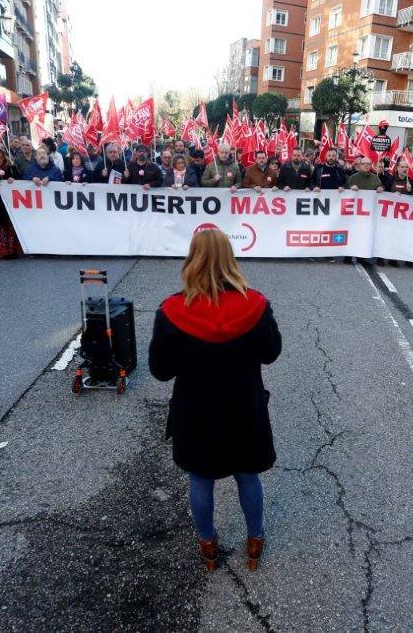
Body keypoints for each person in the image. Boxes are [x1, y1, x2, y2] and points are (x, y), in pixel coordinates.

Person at [148, 227, 282, 573]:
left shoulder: (173, 310)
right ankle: (255, 541)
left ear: (192, 258)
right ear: (230, 256)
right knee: (247, 474)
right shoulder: (256, 304)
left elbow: (160, 371)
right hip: (244, 406)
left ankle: (208, 545)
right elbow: (271, 353)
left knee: (201, 478)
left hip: (196, 409)